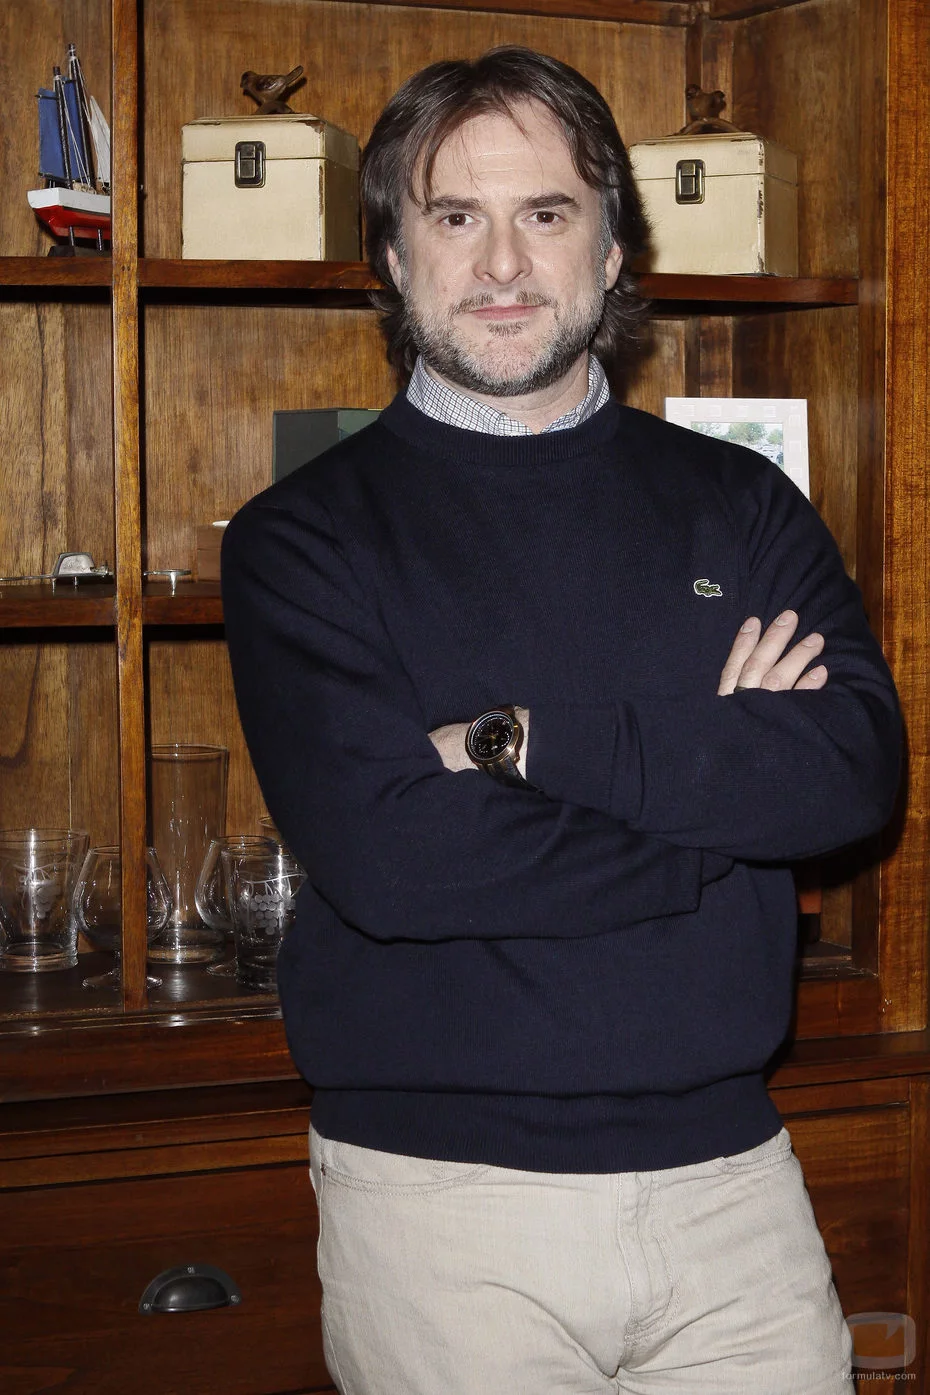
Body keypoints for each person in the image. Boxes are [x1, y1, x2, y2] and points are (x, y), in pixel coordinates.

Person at [221, 46, 901, 1395]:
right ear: (393, 256)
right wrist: (723, 809)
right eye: (453, 216)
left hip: (738, 1195)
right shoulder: (302, 538)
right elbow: (397, 861)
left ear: (612, 250)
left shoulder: (742, 505)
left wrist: (522, 744)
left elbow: (849, 777)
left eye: (545, 212)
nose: (502, 265)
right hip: (443, 1210)